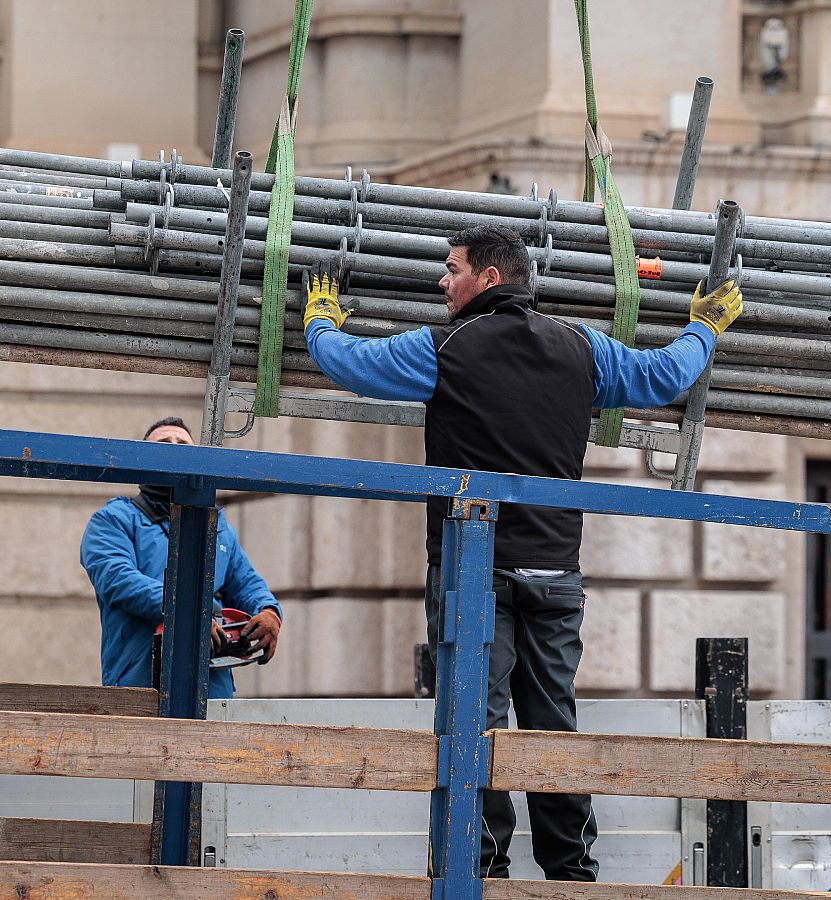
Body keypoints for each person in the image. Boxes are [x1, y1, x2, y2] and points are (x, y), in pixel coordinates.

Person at [299, 225, 742, 881]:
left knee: (473, 721)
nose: (441, 282)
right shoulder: (582, 348)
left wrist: (319, 323)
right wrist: (704, 326)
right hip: (557, 572)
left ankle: (480, 869)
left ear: (489, 279)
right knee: (552, 724)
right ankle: (571, 873)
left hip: (474, 571)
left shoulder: (446, 348)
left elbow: (352, 365)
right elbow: (663, 376)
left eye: (452, 269)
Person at [79, 416, 282, 698]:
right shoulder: (113, 520)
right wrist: (189, 611)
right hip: (140, 686)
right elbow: (118, 580)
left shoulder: (217, 528)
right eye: (164, 443)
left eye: (183, 443)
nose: (175, 447)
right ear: (142, 463)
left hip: (213, 690)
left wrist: (269, 612)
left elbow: (246, 583)